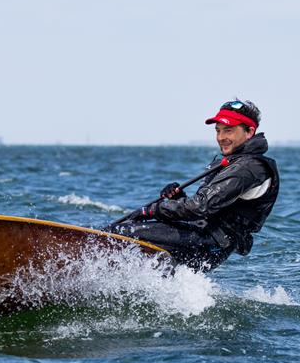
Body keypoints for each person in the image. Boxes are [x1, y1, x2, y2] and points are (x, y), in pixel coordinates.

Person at [104, 99, 279, 272]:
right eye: (218, 131)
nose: (221, 137)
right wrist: (178, 199)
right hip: (205, 239)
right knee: (125, 234)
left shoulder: (248, 167)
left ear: (249, 132)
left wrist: (152, 210)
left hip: (208, 244)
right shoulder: (238, 162)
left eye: (228, 130)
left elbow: (200, 207)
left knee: (118, 232)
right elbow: (208, 208)